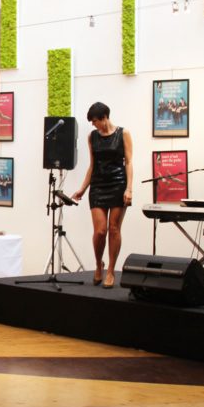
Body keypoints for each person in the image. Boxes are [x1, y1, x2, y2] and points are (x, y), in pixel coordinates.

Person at [71, 102, 133, 288]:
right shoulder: (92, 136)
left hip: (118, 184)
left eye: (94, 120)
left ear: (104, 117)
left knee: (114, 229)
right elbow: (92, 165)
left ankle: (111, 270)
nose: (93, 124)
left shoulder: (123, 133)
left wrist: (129, 189)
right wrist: (82, 188)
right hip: (98, 185)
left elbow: (129, 162)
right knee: (100, 231)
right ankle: (99, 265)